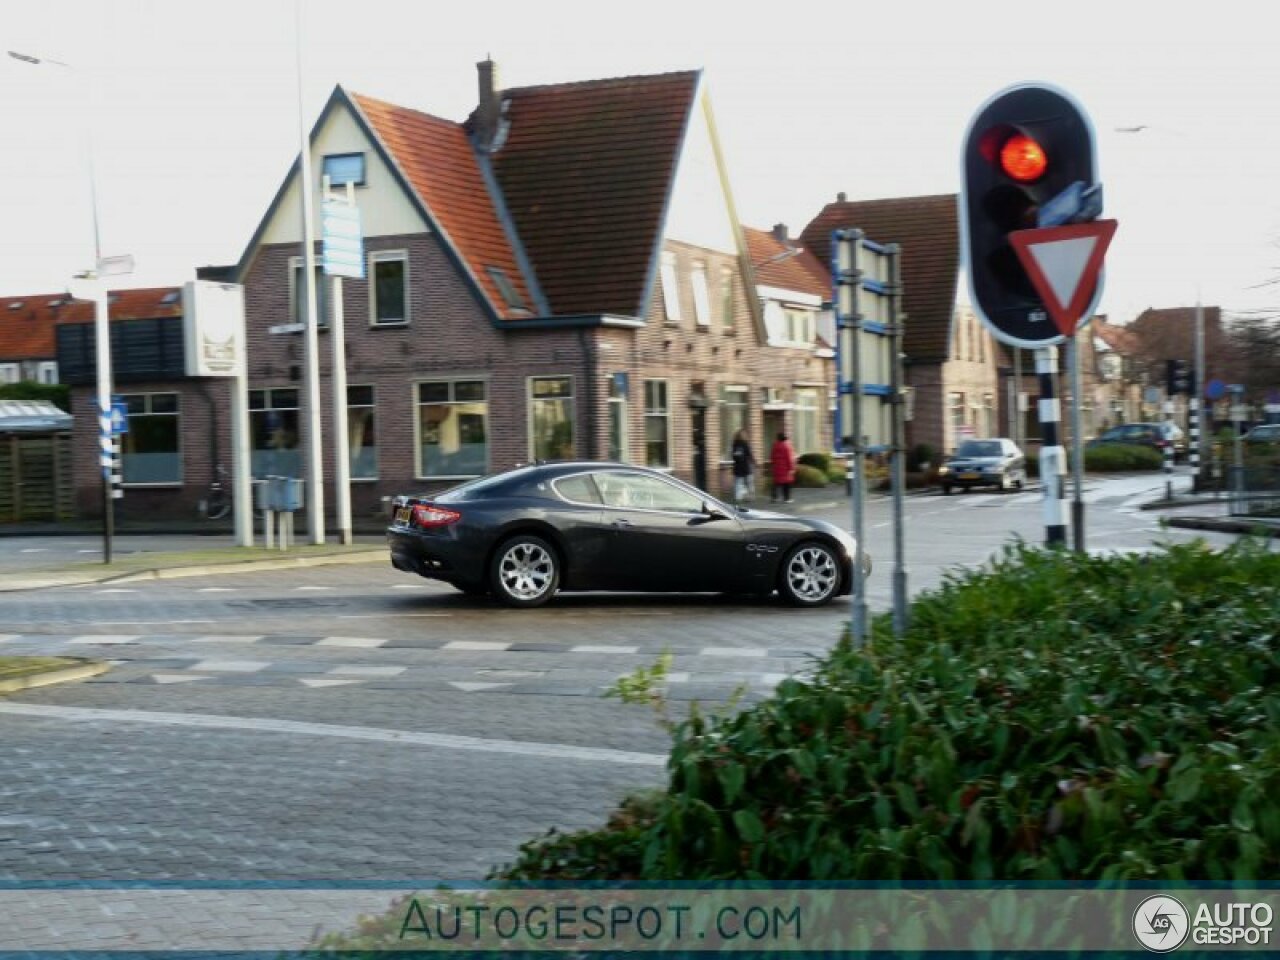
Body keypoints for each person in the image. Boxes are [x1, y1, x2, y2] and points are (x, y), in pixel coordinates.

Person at [730, 428, 756, 503]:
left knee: (738, 483)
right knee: (749, 483)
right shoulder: (745, 444)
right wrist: (755, 462)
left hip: (738, 467)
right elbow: (750, 455)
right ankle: (750, 497)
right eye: (745, 434)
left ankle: (738, 498)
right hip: (746, 467)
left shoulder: (734, 444)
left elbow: (733, 456)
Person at [771, 432, 797, 503]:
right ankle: (787, 498)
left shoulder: (775, 445)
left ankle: (774, 497)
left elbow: (772, 457)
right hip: (785, 468)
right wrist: (792, 468)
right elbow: (789, 458)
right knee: (786, 484)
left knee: (776, 483)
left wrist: (774, 464)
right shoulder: (787, 446)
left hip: (777, 467)